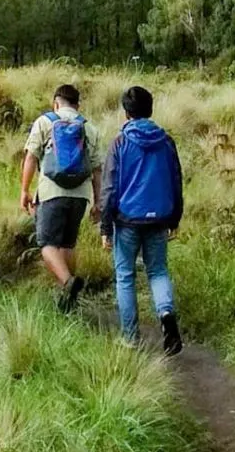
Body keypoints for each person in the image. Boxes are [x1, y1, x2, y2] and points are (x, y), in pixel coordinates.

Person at [100, 85, 184, 355]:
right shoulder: (166, 141)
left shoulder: (120, 143)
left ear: (126, 113)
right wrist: (175, 217)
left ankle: (130, 338)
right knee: (158, 271)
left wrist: (105, 224)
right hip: (159, 218)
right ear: (150, 109)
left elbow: (110, 187)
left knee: (125, 276)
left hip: (127, 220)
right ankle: (167, 317)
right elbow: (176, 180)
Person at [21, 83, 102, 312]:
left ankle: (68, 282)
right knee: (67, 244)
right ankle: (67, 302)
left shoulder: (45, 121)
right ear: (78, 105)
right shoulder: (89, 128)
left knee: (47, 244)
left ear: (56, 102)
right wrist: (98, 202)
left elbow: (31, 158)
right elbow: (97, 170)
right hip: (80, 196)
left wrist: (25, 190)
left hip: (51, 192)